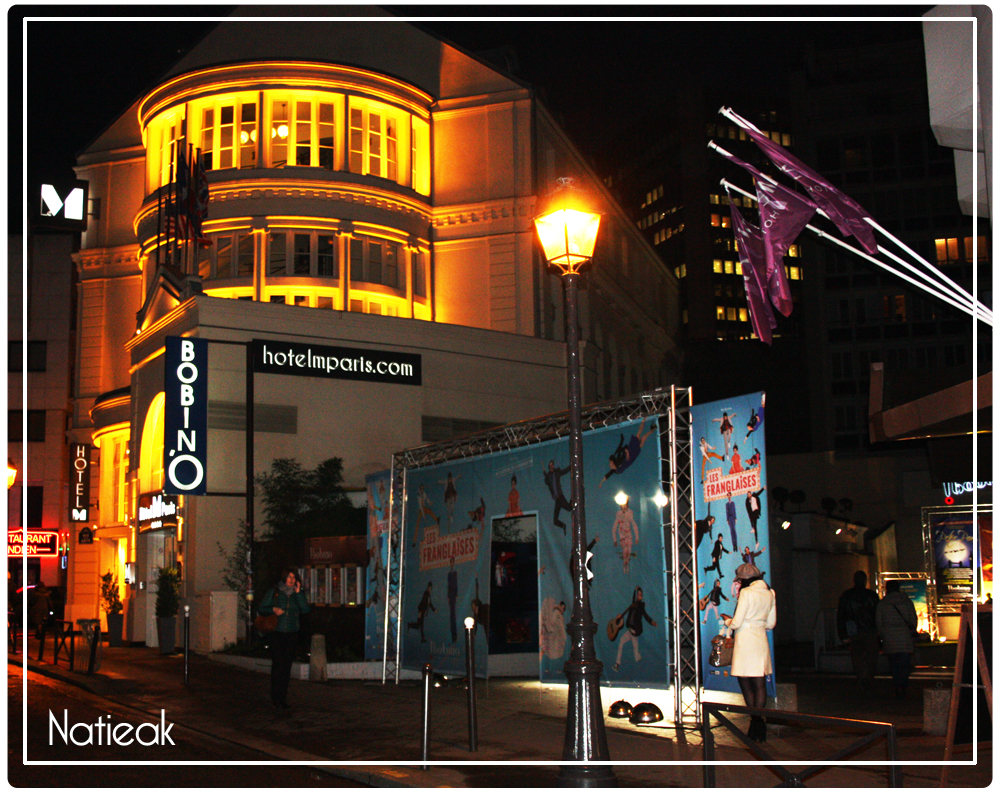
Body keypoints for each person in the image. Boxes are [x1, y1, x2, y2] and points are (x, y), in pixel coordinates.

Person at [721, 562, 776, 743]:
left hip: (745, 640)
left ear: (744, 580)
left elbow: (736, 623)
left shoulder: (746, 593)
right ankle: (758, 723)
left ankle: (755, 722)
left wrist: (728, 621)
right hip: (760, 639)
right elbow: (771, 624)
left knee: (745, 682)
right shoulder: (770, 593)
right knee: (759, 683)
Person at [258, 569, 310, 710]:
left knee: (286, 667)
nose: (291, 579)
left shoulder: (297, 594)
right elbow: (262, 608)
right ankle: (276, 698)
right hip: (277, 632)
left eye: (293, 577)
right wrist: (273, 610)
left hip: (292, 633)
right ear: (284, 578)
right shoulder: (275, 592)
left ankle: (283, 698)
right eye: (289, 577)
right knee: (278, 665)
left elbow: (305, 610)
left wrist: (299, 594)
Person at [836, 570, 881, 696]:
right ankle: (869, 677)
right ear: (865, 580)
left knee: (857, 656)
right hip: (870, 630)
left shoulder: (847, 595)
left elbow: (841, 616)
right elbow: (877, 614)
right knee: (872, 655)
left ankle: (862, 677)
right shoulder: (872, 595)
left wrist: (843, 634)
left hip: (853, 631)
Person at [876, 581, 918, 699]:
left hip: (890, 638)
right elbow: (913, 620)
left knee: (894, 664)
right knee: (904, 664)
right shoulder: (907, 601)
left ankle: (897, 685)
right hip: (904, 637)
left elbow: (879, 623)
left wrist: (882, 635)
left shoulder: (883, 603)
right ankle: (903, 684)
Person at [600, 418, 657, 487]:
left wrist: (601, 483)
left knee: (640, 436)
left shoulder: (617, 466)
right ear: (613, 463)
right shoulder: (619, 468)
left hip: (631, 452)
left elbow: (607, 476)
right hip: (632, 453)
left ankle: (649, 426)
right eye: (610, 464)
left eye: (610, 463)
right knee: (641, 437)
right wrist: (627, 452)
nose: (609, 465)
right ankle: (646, 424)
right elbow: (627, 459)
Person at [613, 586, 657, 671]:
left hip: (634, 633)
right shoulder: (633, 605)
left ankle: (639, 657)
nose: (638, 596)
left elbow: (645, 615)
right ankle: (617, 664)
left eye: (640, 595)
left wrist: (651, 622)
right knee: (621, 642)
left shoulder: (641, 606)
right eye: (638, 595)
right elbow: (633, 601)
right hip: (629, 631)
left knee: (636, 657)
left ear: (642, 597)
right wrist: (634, 591)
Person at [543, 460, 573, 535]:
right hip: (557, 500)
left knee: (569, 508)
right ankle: (563, 525)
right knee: (555, 521)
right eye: (550, 465)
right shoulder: (549, 477)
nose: (552, 466)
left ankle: (572, 498)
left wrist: (572, 466)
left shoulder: (557, 473)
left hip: (560, 497)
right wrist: (545, 474)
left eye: (553, 465)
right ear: (549, 467)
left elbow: (564, 471)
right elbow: (546, 481)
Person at [612, 497, 639, 575]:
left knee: (628, 550)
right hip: (622, 536)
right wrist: (615, 539)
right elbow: (614, 527)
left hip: (628, 535)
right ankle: (625, 564)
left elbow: (634, 525)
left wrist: (636, 537)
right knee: (625, 550)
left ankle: (626, 563)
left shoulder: (630, 513)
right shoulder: (618, 515)